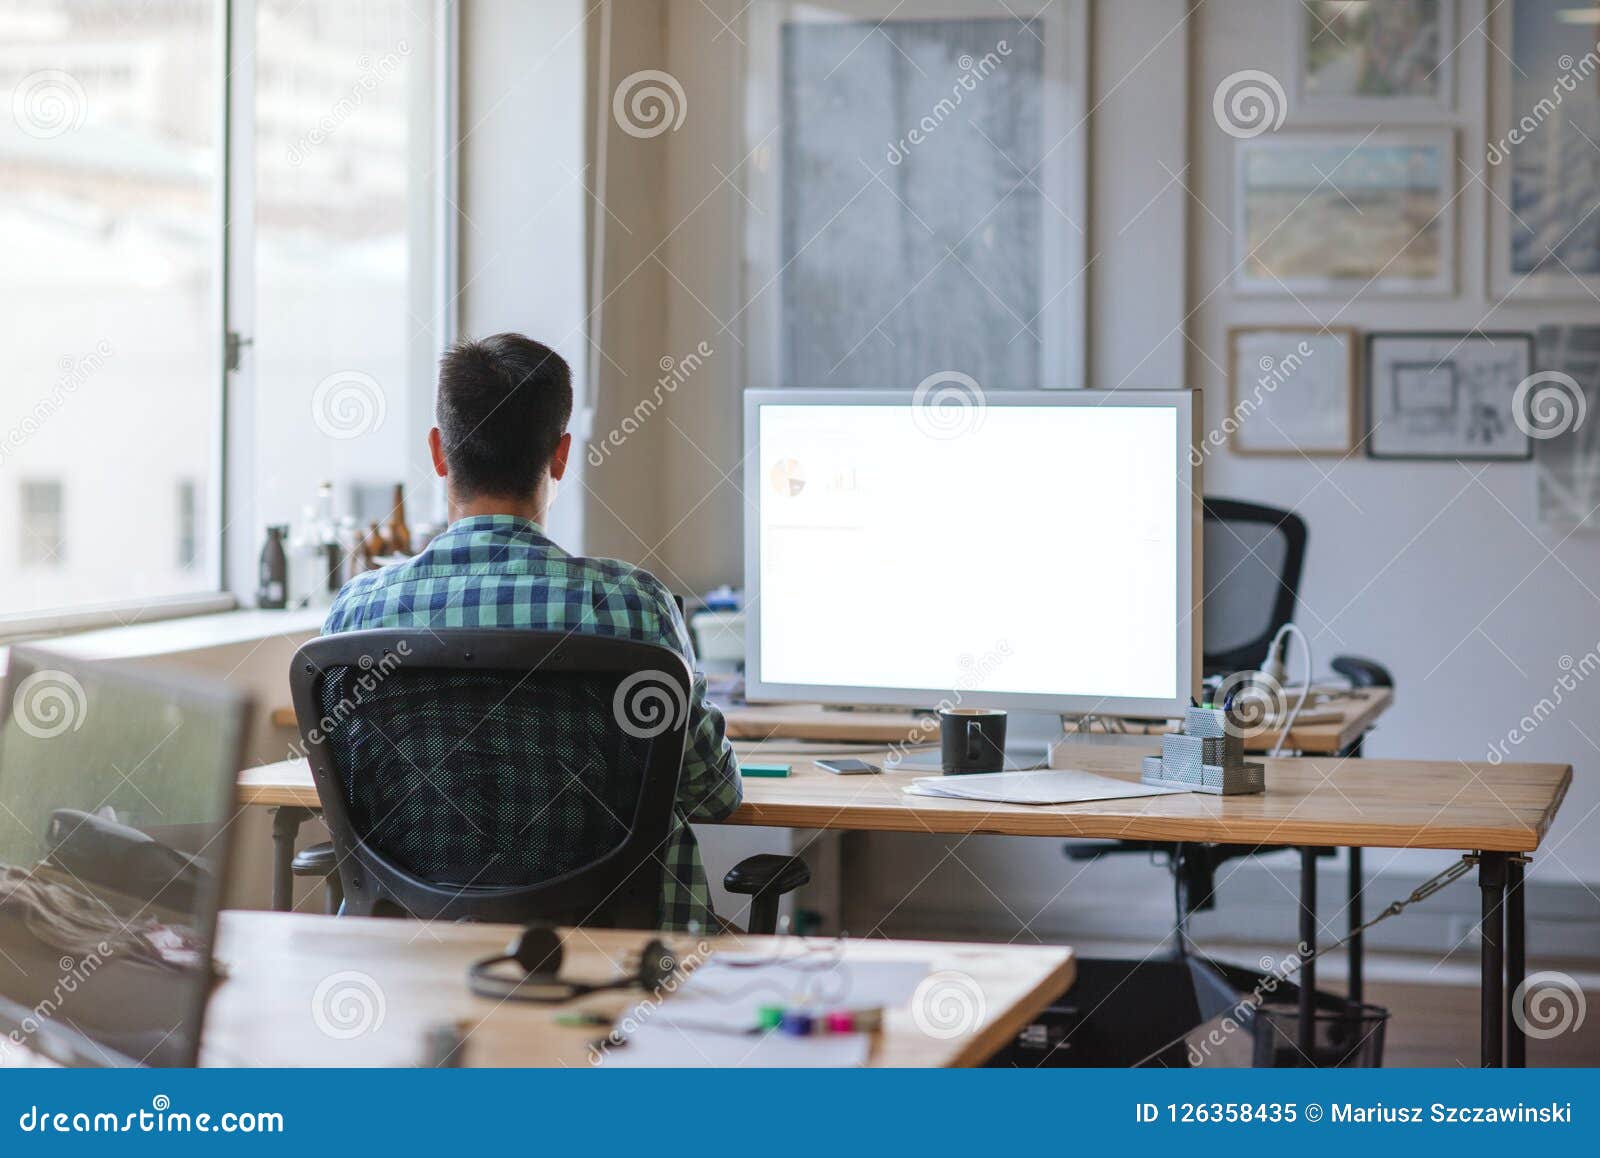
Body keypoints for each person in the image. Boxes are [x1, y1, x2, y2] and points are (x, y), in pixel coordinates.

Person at [323, 333, 740, 930]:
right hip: (609, 967)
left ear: (439, 453)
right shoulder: (634, 609)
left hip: (409, 966)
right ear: (561, 454)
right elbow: (714, 794)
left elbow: (350, 805)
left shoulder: (356, 614)